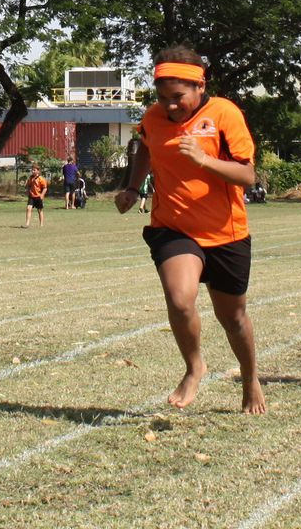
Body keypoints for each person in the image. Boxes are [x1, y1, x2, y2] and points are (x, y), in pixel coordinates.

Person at [116, 45, 266, 414]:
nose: (170, 106)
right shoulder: (153, 117)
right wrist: (133, 188)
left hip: (225, 232)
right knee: (181, 300)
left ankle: (250, 380)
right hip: (173, 227)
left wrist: (204, 159)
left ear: (200, 86)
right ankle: (195, 366)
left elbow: (247, 175)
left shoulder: (225, 114)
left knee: (232, 317)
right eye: (163, 98)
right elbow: (146, 150)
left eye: (178, 98)